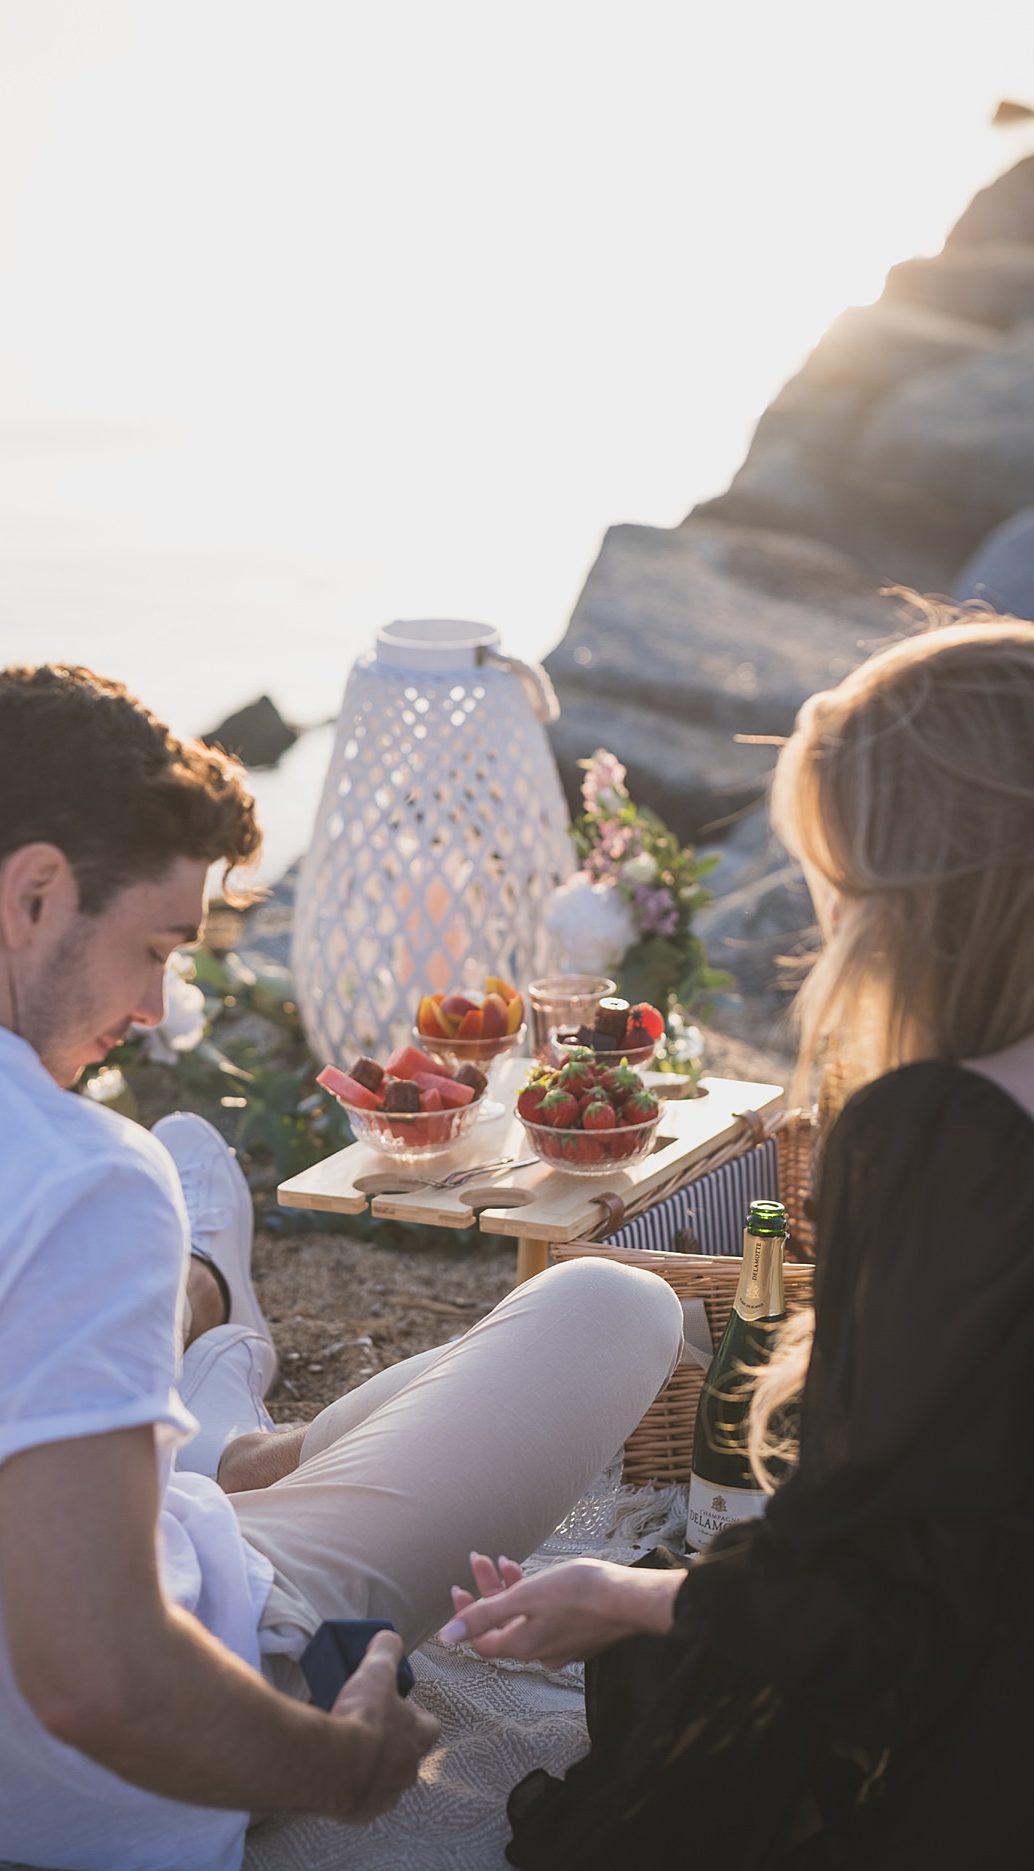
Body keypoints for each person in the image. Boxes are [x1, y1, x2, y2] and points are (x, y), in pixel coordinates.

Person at [0, 664, 684, 1871]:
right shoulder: (76, 1174)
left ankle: (211, 1428)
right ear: (35, 893)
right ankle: (215, 1397)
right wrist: (341, 1764)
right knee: (613, 1300)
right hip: (167, 1712)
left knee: (245, 1446)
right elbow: (100, 1679)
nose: (158, 1006)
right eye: (156, 946)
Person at [435, 617, 1034, 1869]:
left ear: (920, 895)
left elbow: (874, 1608)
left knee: (665, 1708)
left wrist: (619, 1595)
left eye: (846, 879)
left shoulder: (948, 1135)